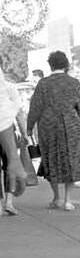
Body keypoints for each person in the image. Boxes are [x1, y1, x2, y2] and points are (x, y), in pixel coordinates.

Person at [26, 51, 80, 210]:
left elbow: (35, 107)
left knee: (50, 159)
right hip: (70, 124)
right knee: (69, 160)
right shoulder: (73, 82)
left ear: (50, 64)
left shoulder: (43, 83)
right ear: (65, 65)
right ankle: (68, 199)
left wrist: (29, 127)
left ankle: (56, 198)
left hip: (48, 125)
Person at [0, 69, 27, 205]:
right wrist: (24, 133)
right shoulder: (11, 87)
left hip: (5, 131)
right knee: (7, 166)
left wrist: (14, 157)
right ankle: (8, 202)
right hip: (7, 131)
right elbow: (18, 113)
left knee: (8, 167)